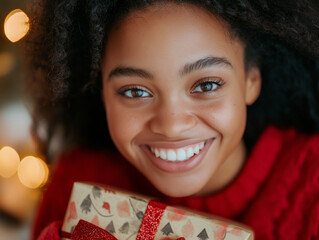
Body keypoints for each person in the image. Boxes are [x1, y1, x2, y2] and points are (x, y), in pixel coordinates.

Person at [26, 0, 319, 239]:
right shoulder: (75, 181)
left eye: (206, 86)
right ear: (101, 90)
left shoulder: (313, 184)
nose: (172, 125)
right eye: (135, 91)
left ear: (251, 80)